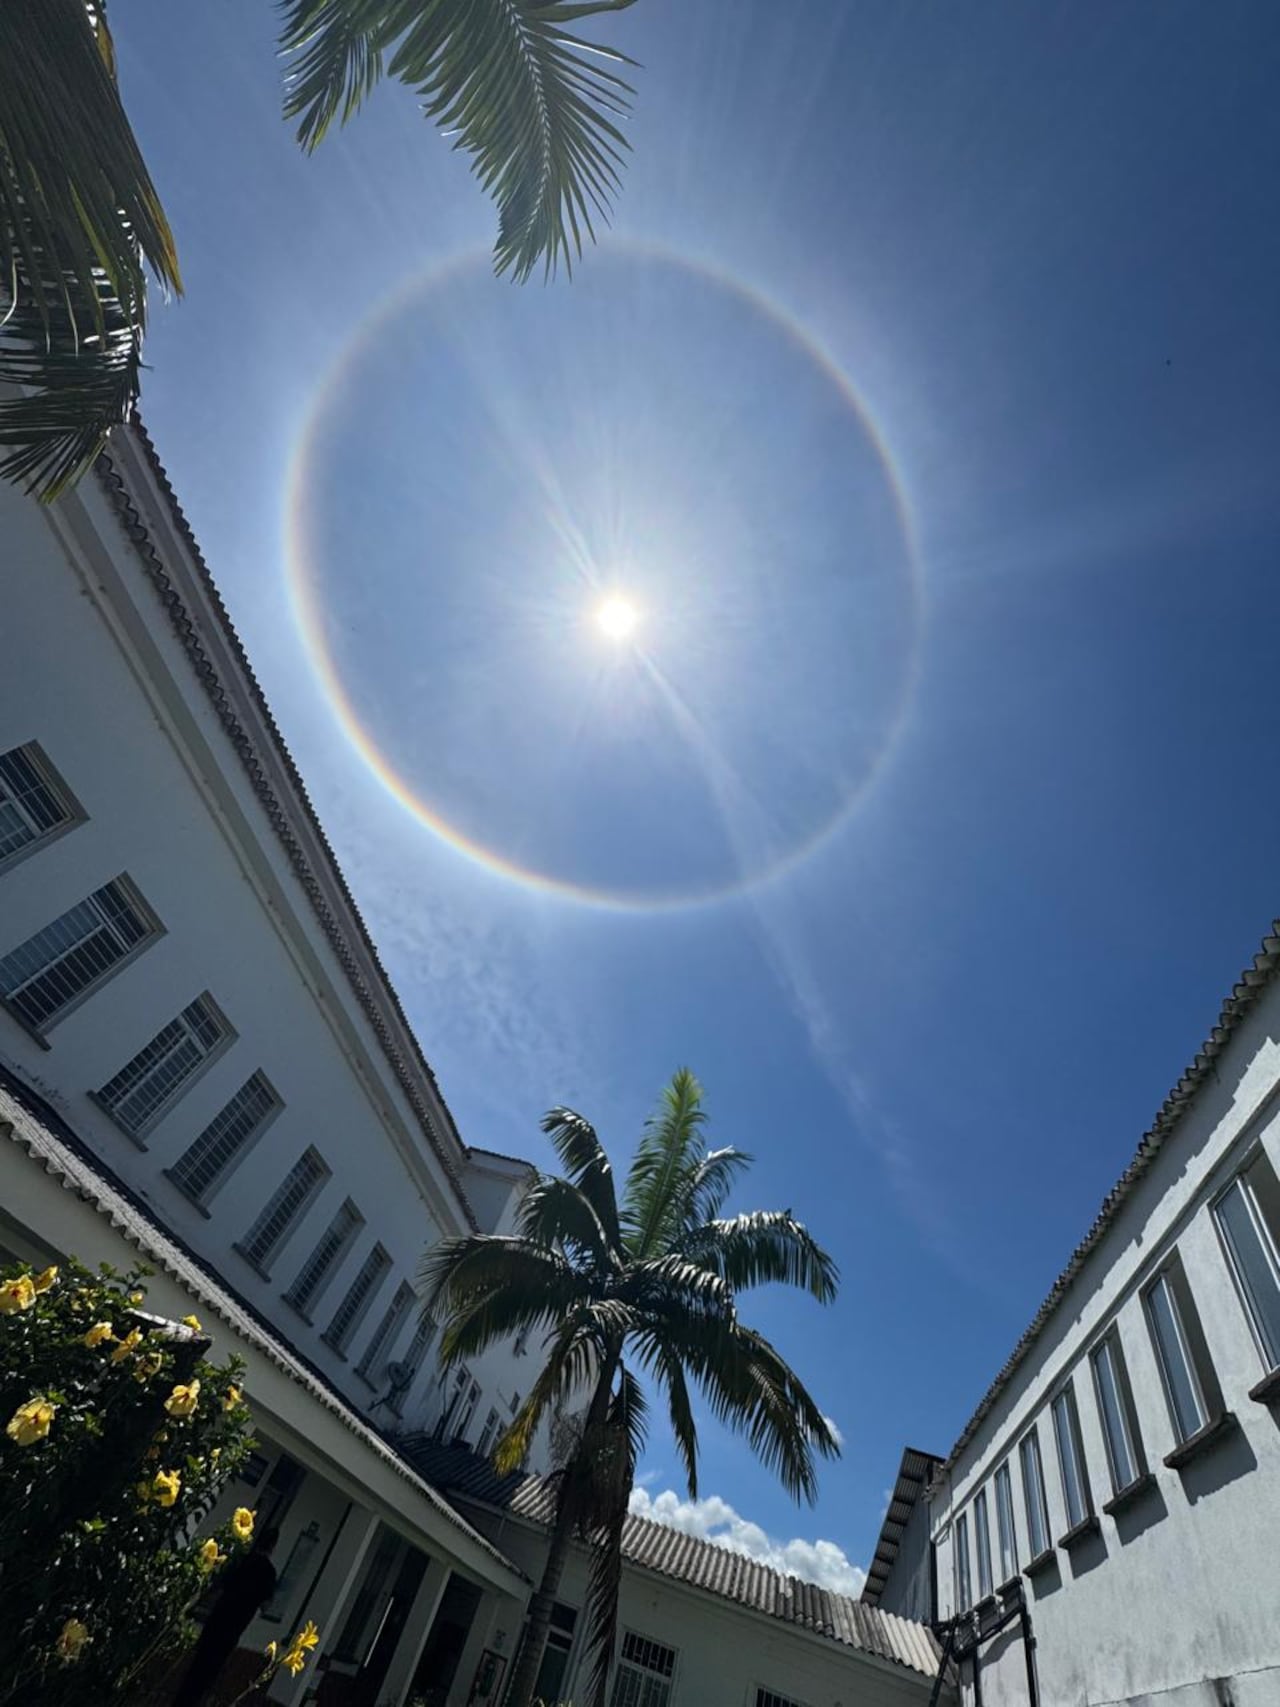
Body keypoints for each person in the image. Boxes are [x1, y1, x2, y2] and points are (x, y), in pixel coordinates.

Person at [172, 1526, 280, 1707]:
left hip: (216, 1621)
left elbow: (219, 1583)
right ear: (273, 1546)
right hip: (233, 1630)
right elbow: (266, 1604)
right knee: (209, 1676)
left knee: (194, 1670)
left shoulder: (242, 1560)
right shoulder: (268, 1573)